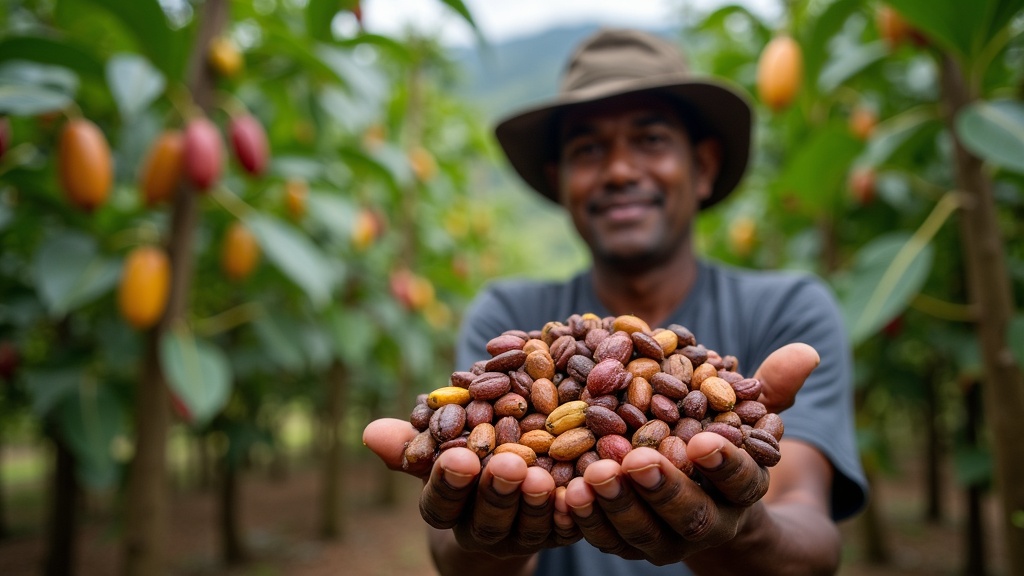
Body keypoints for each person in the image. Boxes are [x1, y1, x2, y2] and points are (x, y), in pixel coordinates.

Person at [363, 28, 867, 575]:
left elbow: (812, 541)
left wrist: (742, 530)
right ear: (561, 181)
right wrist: (484, 536)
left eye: (650, 139)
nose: (621, 170)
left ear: (703, 165)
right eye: (589, 149)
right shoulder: (508, 316)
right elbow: (454, 553)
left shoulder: (789, 308)